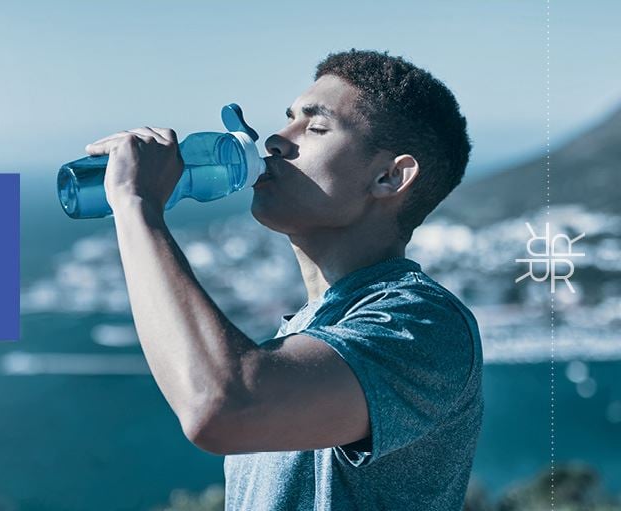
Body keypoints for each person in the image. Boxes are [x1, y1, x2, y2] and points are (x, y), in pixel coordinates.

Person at [84, 48, 483, 511]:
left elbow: (220, 405)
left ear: (390, 177)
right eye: (287, 119)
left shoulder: (424, 325)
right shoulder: (298, 336)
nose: (275, 140)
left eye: (314, 128)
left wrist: (137, 206)